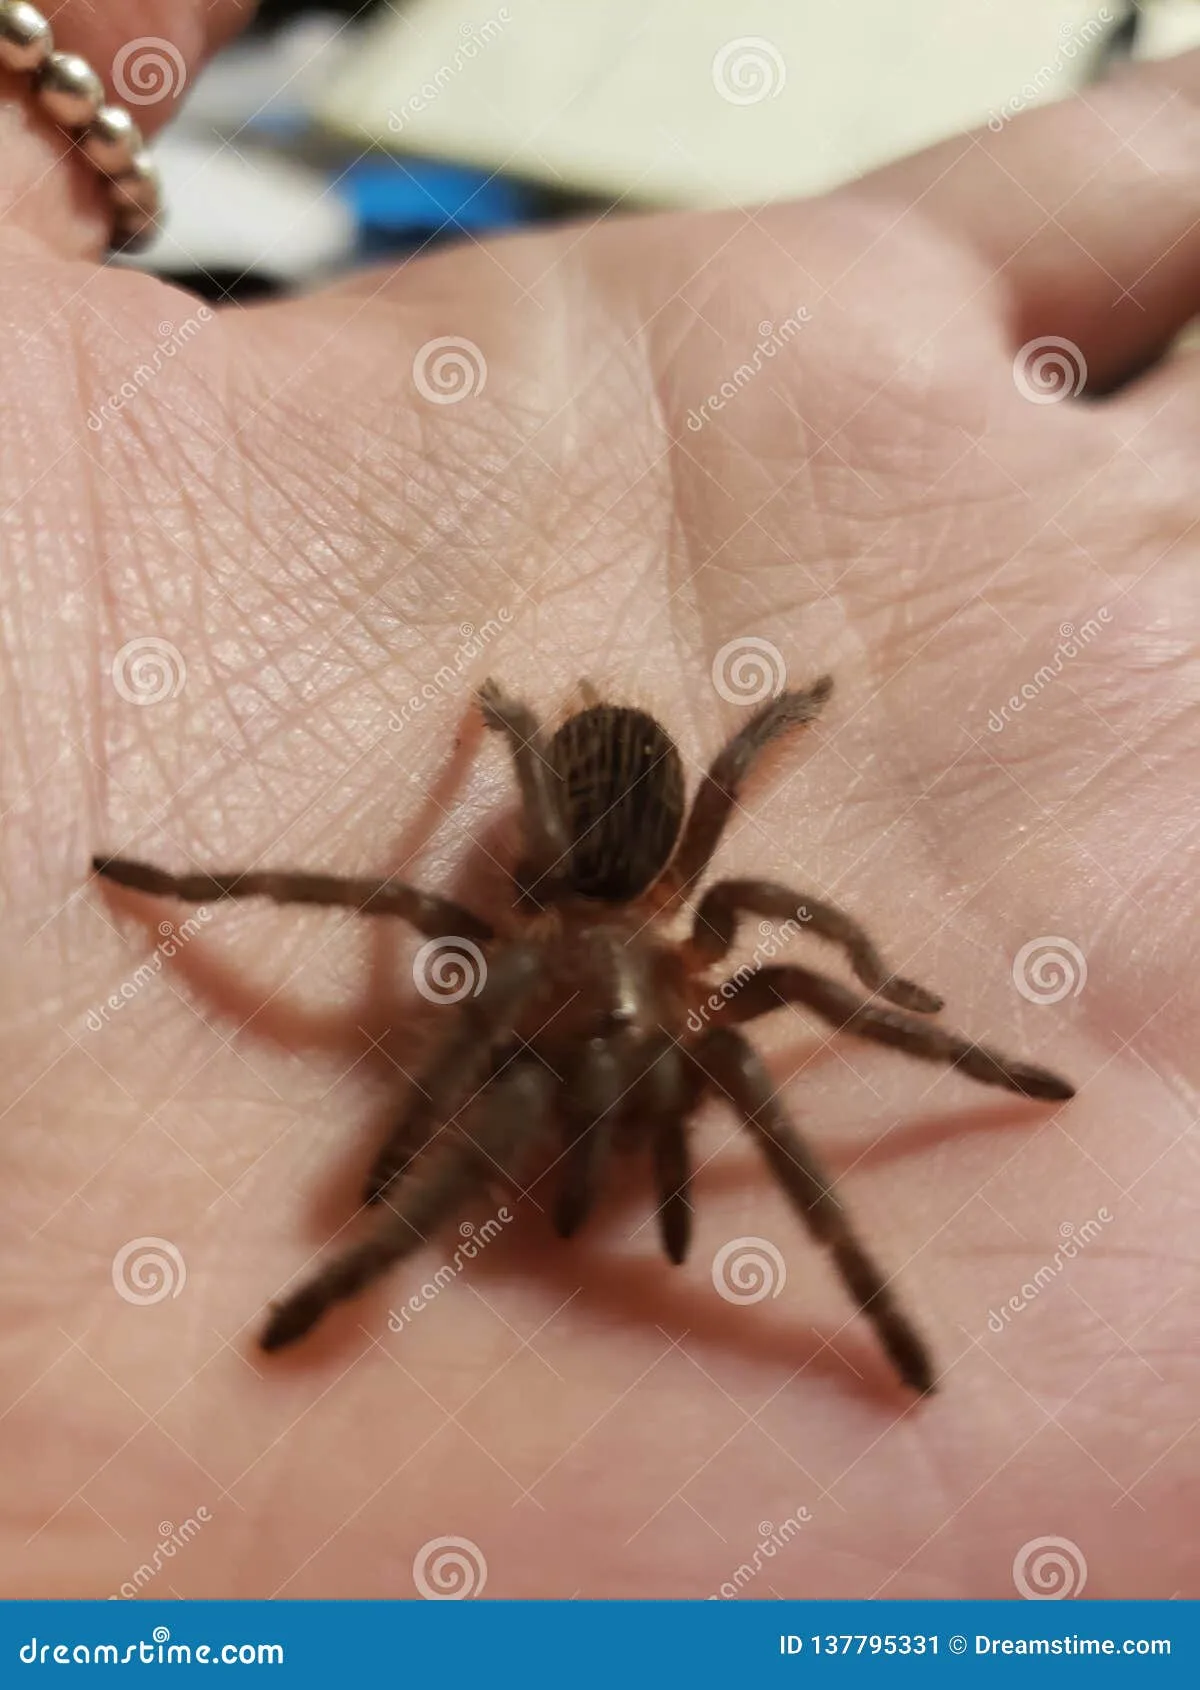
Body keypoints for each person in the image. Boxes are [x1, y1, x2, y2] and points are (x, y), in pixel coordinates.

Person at [0, 0, 1192, 1601]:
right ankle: (354, 1282)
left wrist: (914, 999)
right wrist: (267, 905)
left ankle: (858, 1307)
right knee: (459, 945)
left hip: (614, 897)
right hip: (574, 889)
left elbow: (781, 922)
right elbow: (394, 927)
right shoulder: (516, 964)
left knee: (760, 974)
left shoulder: (710, 960)